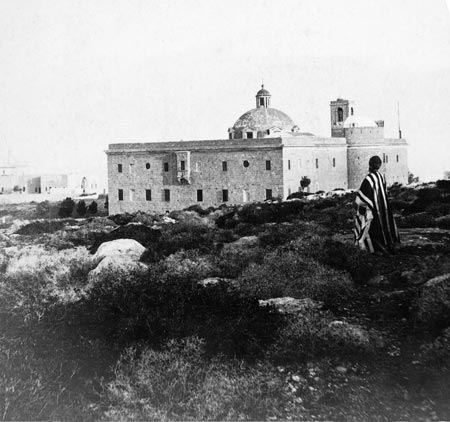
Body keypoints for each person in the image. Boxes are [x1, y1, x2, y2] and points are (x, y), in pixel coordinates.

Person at [354, 155, 399, 254]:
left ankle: (374, 248)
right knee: (384, 226)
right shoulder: (381, 176)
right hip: (383, 208)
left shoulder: (368, 178)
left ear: (370, 165)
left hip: (373, 209)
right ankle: (387, 245)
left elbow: (362, 197)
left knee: (371, 226)